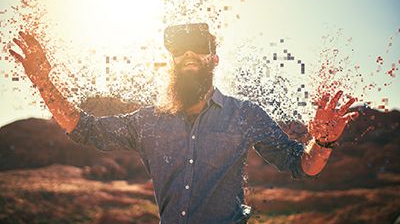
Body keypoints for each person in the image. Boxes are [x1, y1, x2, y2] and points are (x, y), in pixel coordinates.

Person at [9, 23, 358, 224]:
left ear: (214, 58)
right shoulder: (147, 121)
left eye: (197, 46)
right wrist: (43, 82)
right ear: (171, 61)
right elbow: (83, 127)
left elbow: (301, 164)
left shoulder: (244, 114)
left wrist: (322, 141)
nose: (188, 53)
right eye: (179, 49)